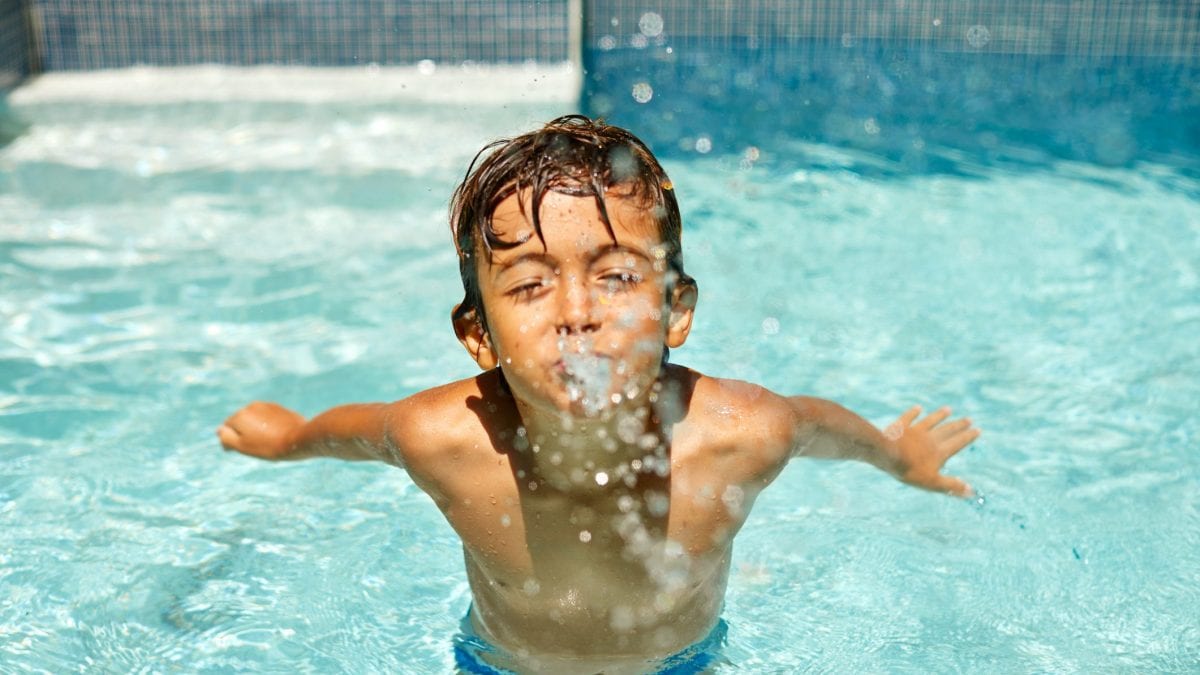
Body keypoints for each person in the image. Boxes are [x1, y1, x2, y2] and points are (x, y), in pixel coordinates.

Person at [217, 115, 980, 674]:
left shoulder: (736, 435)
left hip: (681, 666)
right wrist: (289, 436)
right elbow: (363, 431)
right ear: (478, 334)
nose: (576, 313)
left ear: (675, 310)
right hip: (501, 666)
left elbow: (817, 426)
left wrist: (895, 454)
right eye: (529, 284)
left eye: (616, 276)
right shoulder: (447, 439)